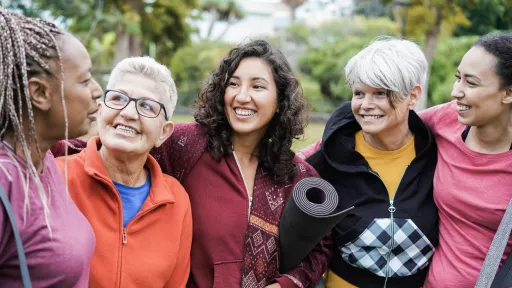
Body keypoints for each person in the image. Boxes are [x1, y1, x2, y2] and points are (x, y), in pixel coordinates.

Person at [53, 40, 330, 287]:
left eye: (257, 86)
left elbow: (322, 246)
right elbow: (120, 147)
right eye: (233, 84)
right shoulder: (189, 144)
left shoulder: (294, 175)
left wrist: (285, 285)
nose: (242, 96)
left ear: (280, 101)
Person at [305, 38, 438, 287]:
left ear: (412, 96)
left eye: (380, 93)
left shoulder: (439, 157)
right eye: (359, 93)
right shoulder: (327, 161)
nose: (366, 105)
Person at [55, 57, 193, 287]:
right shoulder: (57, 179)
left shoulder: (176, 201)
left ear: (164, 133)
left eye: (147, 106)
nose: (128, 113)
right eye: (118, 98)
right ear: (100, 112)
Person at [0, 9, 102, 287]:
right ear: (40, 94)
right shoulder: (5, 180)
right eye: (85, 79)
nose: (97, 91)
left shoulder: (41, 159)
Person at [420, 33, 512, 288]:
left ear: (508, 93)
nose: (455, 92)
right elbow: (390, 128)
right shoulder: (446, 119)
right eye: (457, 78)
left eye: (470, 83)